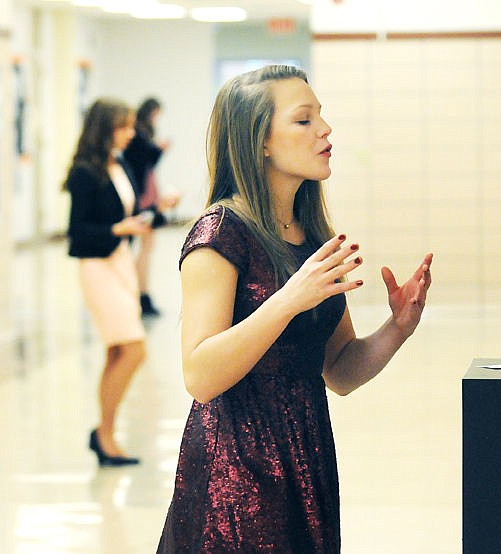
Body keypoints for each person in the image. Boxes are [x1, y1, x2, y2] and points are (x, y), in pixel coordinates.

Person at [156, 65, 433, 552]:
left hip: (306, 460)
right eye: (304, 120)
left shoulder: (311, 236)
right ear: (260, 141)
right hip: (236, 470)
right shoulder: (220, 234)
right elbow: (200, 375)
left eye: (320, 116)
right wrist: (286, 301)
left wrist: (398, 328)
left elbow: (340, 371)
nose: (325, 130)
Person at [63, 98, 151, 466]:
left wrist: (155, 214)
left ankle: (106, 434)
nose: (131, 133)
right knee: (134, 349)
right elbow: (77, 233)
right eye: (124, 126)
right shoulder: (85, 172)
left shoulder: (119, 165)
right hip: (97, 267)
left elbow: (127, 216)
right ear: (105, 128)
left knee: (116, 351)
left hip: (120, 263)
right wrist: (118, 228)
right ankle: (104, 432)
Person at [122, 96, 179, 317]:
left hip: (145, 189)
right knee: (143, 246)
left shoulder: (142, 133)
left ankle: (141, 294)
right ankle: (140, 295)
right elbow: (145, 160)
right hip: (143, 192)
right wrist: (160, 149)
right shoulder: (139, 134)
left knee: (146, 247)